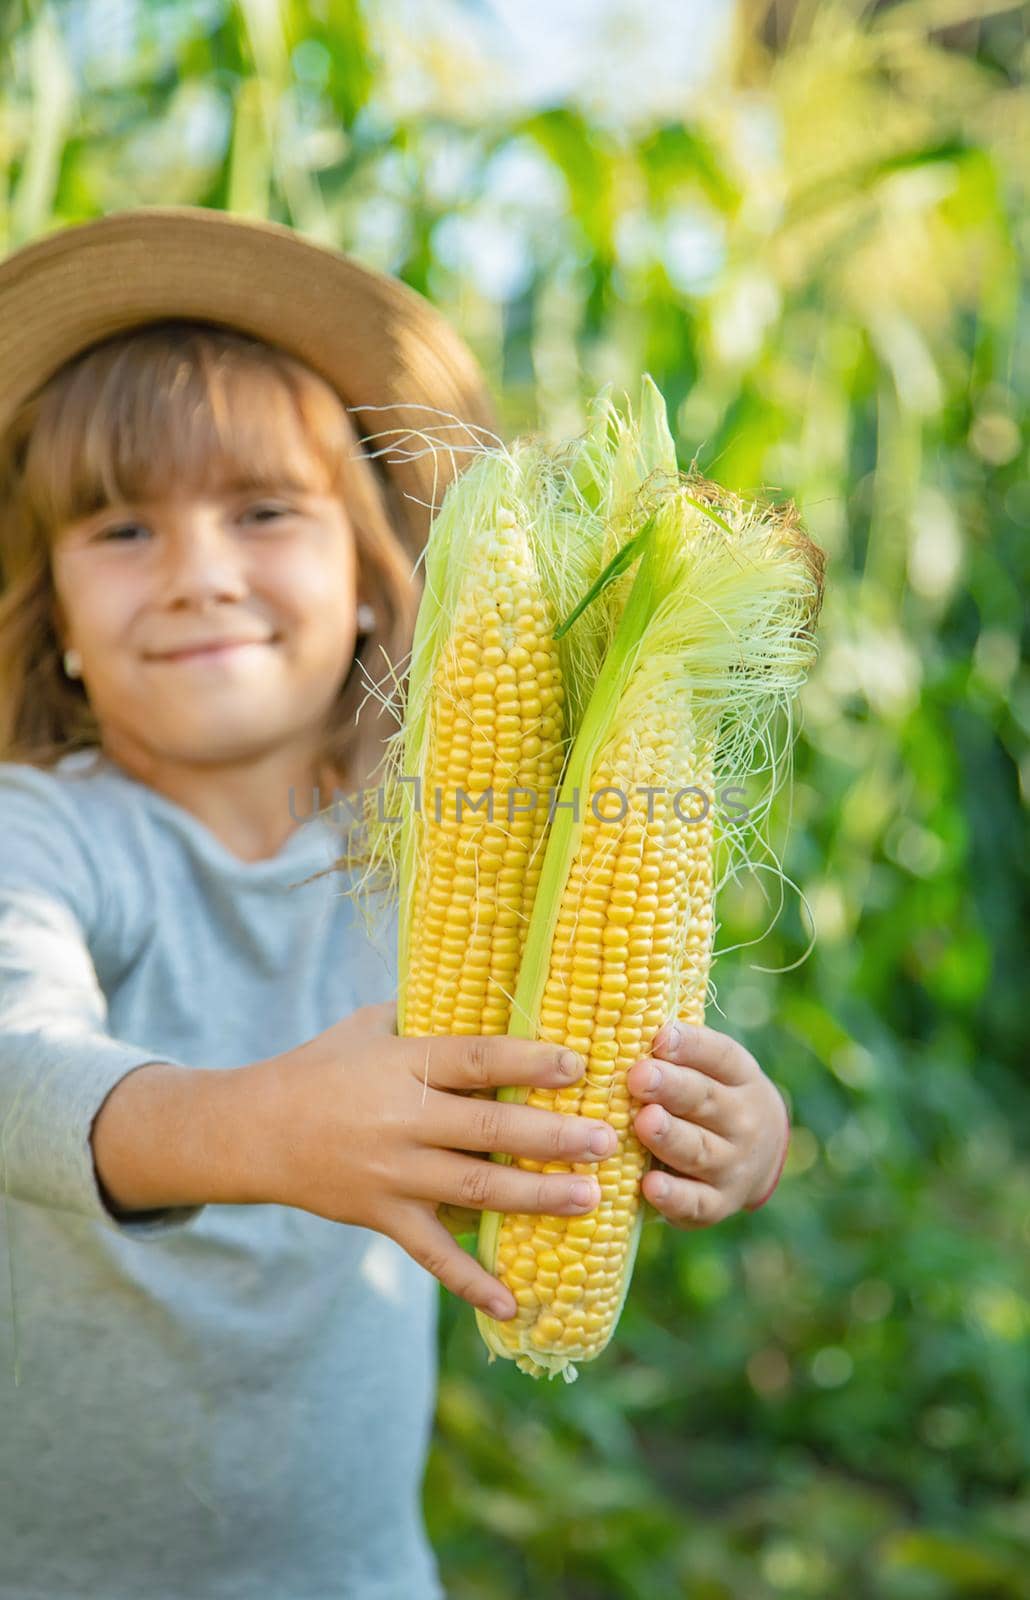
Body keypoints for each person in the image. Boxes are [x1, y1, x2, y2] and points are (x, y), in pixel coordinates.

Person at [0, 207, 790, 1599]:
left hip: (357, 1571)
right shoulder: (51, 835)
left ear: (374, 582)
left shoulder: (455, 843)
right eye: (123, 528)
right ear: (53, 605)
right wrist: (255, 1127)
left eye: (262, 513)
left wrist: (721, 1127)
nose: (198, 574)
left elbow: (584, 1062)